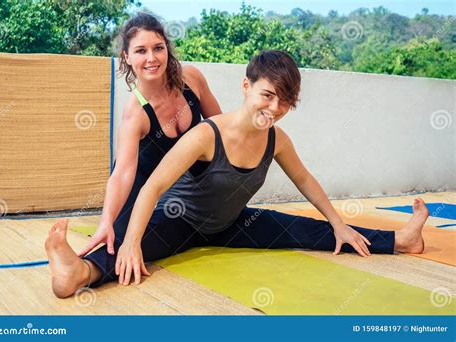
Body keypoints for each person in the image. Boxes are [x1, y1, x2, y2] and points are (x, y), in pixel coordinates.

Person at [46, 50, 427, 298]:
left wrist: (338, 221)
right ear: (246, 87)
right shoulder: (205, 135)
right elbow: (154, 186)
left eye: (285, 101)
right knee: (134, 253)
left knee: (310, 229)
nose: (275, 108)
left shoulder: (276, 140)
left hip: (233, 223)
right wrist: (130, 240)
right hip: (182, 222)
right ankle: (76, 273)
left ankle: (402, 240)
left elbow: (306, 181)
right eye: (267, 95)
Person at [43, 12, 221, 297]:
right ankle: (75, 270)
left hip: (180, 185)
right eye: (141, 51)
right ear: (126, 57)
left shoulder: (192, 80)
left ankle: (78, 271)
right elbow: (123, 173)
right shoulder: (135, 113)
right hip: (138, 185)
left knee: (175, 229)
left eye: (158, 48)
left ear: (167, 49)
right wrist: (106, 221)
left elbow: (218, 127)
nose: (151, 58)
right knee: (126, 242)